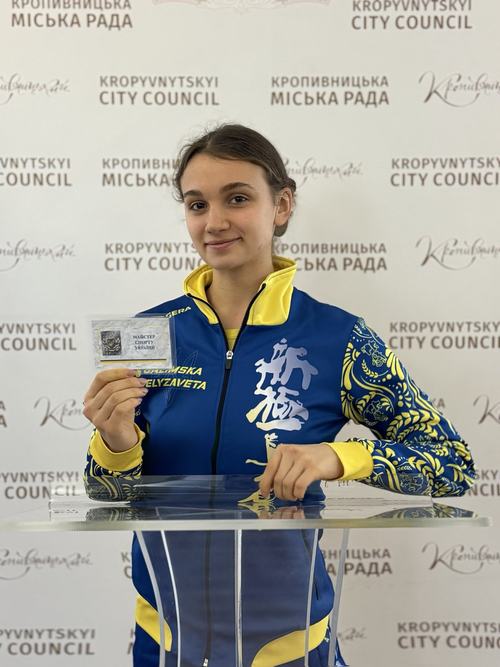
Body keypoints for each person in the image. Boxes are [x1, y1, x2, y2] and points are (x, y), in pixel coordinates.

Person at [82, 123, 476, 667]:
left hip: (289, 643)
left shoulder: (339, 338)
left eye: (237, 198)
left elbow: (451, 464)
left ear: (282, 205)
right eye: (197, 204)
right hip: (167, 640)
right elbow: (108, 494)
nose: (214, 222)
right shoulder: (150, 335)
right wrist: (115, 441)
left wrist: (338, 457)